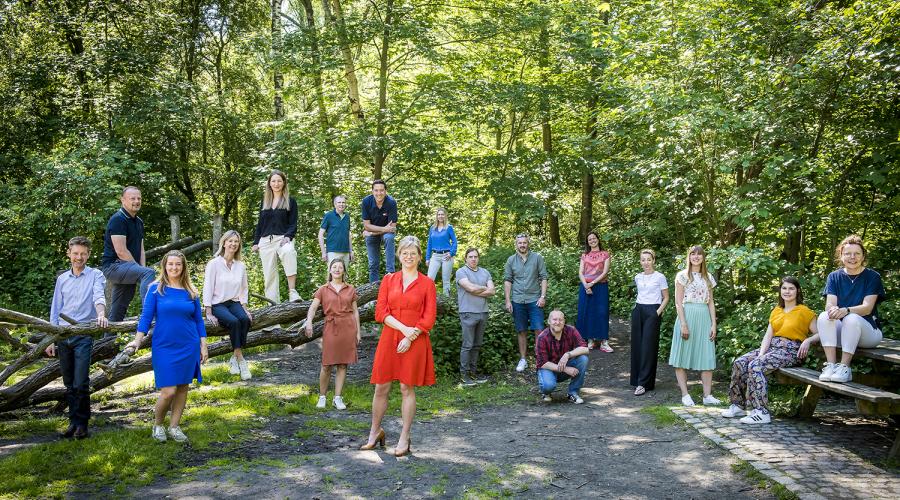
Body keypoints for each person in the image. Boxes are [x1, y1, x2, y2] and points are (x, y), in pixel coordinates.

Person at [361, 236, 437, 457]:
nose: (408, 256)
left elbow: (429, 317)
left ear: (419, 257)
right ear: (399, 255)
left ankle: (404, 437)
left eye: (413, 253)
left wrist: (410, 336)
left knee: (406, 387)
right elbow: (380, 313)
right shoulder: (389, 280)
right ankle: (375, 432)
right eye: (404, 252)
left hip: (415, 340)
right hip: (390, 337)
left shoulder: (427, 283)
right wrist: (404, 330)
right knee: (381, 386)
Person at [128, 250, 208, 443]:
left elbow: (199, 321)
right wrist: (137, 341)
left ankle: (174, 427)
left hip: (188, 344)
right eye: (170, 264)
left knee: (182, 388)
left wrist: (203, 346)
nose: (174, 267)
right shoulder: (155, 289)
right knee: (168, 391)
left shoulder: (191, 292)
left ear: (183, 267)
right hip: (164, 346)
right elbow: (146, 318)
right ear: (164, 266)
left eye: (178, 264)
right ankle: (157, 425)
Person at [722, 277, 819, 423]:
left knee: (756, 366)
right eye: (784, 288)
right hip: (773, 348)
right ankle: (738, 405)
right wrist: (761, 354)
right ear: (780, 290)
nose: (787, 291)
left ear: (797, 291)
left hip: (791, 351)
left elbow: (820, 334)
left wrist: (808, 340)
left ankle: (761, 412)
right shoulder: (776, 310)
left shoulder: (804, 311)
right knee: (740, 362)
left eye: (791, 288)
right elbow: (768, 336)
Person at [46, 236, 109, 439]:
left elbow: (99, 296)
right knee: (69, 382)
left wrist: (101, 314)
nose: (79, 257)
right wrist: (50, 339)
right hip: (63, 335)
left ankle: (82, 423)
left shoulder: (96, 275)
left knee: (81, 382)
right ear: (69, 253)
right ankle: (72, 422)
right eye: (75, 253)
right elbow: (55, 309)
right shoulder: (62, 279)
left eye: (83, 254)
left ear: (88, 255)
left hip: (83, 334)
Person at [816, 235, 886, 383]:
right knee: (824, 316)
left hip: (869, 334)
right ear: (841, 255)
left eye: (857, 253)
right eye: (848, 253)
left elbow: (867, 308)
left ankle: (844, 368)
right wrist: (833, 309)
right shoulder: (834, 276)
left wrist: (846, 310)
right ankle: (831, 366)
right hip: (845, 334)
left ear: (863, 256)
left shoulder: (872, 276)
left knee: (851, 318)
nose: (852, 257)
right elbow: (829, 304)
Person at [305, 259, 361, 410]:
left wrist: (358, 332)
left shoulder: (350, 289)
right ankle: (322, 396)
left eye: (340, 267)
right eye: (334, 267)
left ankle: (337, 398)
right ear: (330, 270)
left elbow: (355, 311)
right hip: (331, 326)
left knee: (343, 364)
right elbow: (313, 307)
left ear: (344, 271)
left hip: (348, 327)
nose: (337, 269)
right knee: (327, 364)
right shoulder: (323, 289)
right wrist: (309, 322)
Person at [669, 245, 720, 407]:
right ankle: (685, 394)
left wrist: (714, 324)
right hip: (687, 315)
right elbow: (678, 302)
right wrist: (683, 323)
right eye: (693, 254)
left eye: (699, 254)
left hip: (704, 316)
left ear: (703, 258)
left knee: (707, 355)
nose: (696, 257)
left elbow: (711, 301)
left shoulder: (708, 277)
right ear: (689, 257)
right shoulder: (682, 276)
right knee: (682, 356)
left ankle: (707, 395)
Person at [203, 230, 253, 381]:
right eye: (230, 241)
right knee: (233, 322)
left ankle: (234, 357)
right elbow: (208, 286)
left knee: (245, 320)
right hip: (218, 304)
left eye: (236, 242)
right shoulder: (214, 263)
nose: (233, 244)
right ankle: (242, 361)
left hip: (234, 302)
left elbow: (244, 288)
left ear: (239, 245)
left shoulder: (240, 265)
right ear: (224, 243)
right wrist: (208, 311)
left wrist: (244, 307)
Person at [101, 186, 156, 323]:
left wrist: (140, 269)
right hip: (114, 267)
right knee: (149, 273)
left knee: (119, 309)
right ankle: (149, 317)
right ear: (123, 200)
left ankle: (106, 343)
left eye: (139, 198)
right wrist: (142, 271)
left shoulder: (139, 222)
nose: (136, 201)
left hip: (128, 268)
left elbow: (141, 250)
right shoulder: (118, 219)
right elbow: (121, 251)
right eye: (132, 198)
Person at [251, 170, 300, 304]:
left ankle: (292, 292)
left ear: (284, 183)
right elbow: (260, 224)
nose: (276, 184)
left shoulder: (290, 201)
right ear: (269, 183)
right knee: (269, 277)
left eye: (279, 181)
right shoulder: (265, 201)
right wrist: (256, 242)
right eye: (273, 181)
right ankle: (273, 307)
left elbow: (293, 223)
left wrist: (288, 236)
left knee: (289, 252)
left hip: (282, 238)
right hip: (265, 241)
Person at [504, 234, 548, 373]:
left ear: (528, 243)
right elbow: (508, 280)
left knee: (539, 329)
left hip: (535, 300)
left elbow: (544, 277)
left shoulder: (537, 258)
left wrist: (543, 296)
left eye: (524, 242)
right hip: (517, 300)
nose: (522, 245)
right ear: (516, 244)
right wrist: (507, 300)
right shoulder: (511, 260)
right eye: (520, 243)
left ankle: (539, 359)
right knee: (521, 330)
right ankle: (523, 359)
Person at [630, 249, 669, 396]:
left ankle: (644, 383)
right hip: (638, 310)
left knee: (648, 347)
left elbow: (666, 297)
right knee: (637, 346)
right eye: (643, 259)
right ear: (640, 262)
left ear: (653, 260)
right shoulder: (638, 277)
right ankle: (636, 380)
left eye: (648, 259)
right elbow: (641, 294)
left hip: (653, 311)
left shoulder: (660, 277)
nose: (646, 262)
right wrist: (636, 309)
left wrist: (656, 313)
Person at [456, 248, 495, 386]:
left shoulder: (485, 272)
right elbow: (470, 288)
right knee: (467, 345)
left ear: (479, 258)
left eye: (476, 256)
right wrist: (483, 288)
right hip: (467, 312)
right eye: (470, 256)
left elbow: (492, 291)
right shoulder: (461, 271)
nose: (473, 259)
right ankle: (464, 376)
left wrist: (475, 289)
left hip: (483, 312)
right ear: (465, 258)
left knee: (477, 345)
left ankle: (473, 374)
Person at [535, 310, 589, 404]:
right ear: (549, 321)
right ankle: (546, 393)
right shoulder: (542, 337)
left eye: (560, 320)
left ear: (564, 321)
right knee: (548, 386)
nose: (557, 322)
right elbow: (542, 363)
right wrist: (565, 369)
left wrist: (568, 354)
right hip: (548, 369)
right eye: (554, 319)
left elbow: (585, 348)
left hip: (564, 365)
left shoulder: (571, 330)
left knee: (583, 359)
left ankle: (573, 392)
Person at [577, 231, 612, 352]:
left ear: (598, 239)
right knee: (587, 312)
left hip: (600, 286)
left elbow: (605, 272)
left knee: (602, 312)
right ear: (587, 242)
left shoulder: (605, 254)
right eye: (589, 239)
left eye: (594, 238)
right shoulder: (584, 255)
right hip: (585, 286)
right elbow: (580, 272)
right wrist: (586, 285)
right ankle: (590, 340)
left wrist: (592, 283)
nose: (592, 240)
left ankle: (604, 342)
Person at [361, 179, 398, 283]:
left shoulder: (391, 202)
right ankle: (373, 287)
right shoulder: (366, 202)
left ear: (385, 191)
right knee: (373, 264)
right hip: (375, 233)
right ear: (372, 191)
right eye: (376, 190)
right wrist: (383, 229)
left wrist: (372, 232)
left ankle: (390, 273)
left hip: (383, 233)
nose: (379, 193)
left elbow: (392, 228)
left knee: (389, 237)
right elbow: (367, 226)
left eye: (381, 190)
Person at [425, 208, 458, 296]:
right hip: (435, 256)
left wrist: (451, 253)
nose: (440, 216)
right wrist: (427, 258)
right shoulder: (432, 228)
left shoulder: (449, 227)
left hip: (446, 255)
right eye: (439, 214)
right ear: (436, 216)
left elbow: (455, 241)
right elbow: (429, 243)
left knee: (446, 280)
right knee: (429, 278)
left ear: (445, 216)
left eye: (442, 214)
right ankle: (429, 298)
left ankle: (446, 301)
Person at [318, 194, 353, 271]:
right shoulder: (329, 216)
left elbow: (348, 235)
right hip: (332, 251)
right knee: (332, 277)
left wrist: (351, 251)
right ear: (335, 204)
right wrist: (323, 252)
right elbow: (320, 234)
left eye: (343, 202)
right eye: (339, 202)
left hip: (345, 252)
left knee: (344, 277)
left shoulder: (347, 216)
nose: (341, 204)